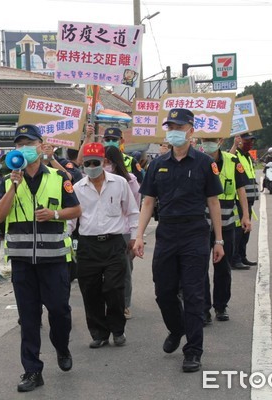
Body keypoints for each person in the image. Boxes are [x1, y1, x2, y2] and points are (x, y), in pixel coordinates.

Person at [133, 108, 225, 373]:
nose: (174, 131)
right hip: (167, 233)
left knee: (194, 294)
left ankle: (193, 350)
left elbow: (213, 202)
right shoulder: (157, 164)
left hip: (195, 232)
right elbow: (148, 201)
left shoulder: (204, 163)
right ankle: (177, 328)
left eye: (179, 127)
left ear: (191, 131)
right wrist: (139, 236)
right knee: (163, 291)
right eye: (170, 126)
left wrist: (218, 240)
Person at [0, 124, 81, 393]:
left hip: (53, 260)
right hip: (22, 263)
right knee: (28, 318)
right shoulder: (7, 180)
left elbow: (76, 209)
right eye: (20, 144)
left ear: (40, 146)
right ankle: (32, 370)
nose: (24, 149)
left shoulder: (58, 177)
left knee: (59, 311)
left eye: (29, 144)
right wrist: (13, 187)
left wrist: (54, 215)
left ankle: (62, 347)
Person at [70, 142, 139, 349]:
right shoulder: (77, 188)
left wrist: (135, 237)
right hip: (88, 245)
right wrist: (65, 240)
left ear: (104, 162)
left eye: (96, 162)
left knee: (114, 289)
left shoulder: (119, 183)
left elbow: (132, 211)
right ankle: (99, 333)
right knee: (90, 290)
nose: (92, 166)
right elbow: (71, 219)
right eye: (88, 163)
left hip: (114, 243)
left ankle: (118, 330)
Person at [196, 137, 251, 325]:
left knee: (223, 268)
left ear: (220, 141)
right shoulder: (196, 160)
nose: (209, 143)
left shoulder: (232, 161)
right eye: (205, 140)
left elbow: (241, 190)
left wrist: (246, 216)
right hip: (202, 224)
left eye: (212, 140)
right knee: (200, 268)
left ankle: (221, 306)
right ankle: (203, 309)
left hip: (227, 223)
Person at [104, 145, 140, 320]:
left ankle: (124, 305)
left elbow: (134, 207)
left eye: (105, 161)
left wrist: (136, 234)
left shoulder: (129, 180)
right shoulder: (96, 178)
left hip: (123, 231)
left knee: (123, 270)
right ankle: (115, 304)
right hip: (108, 230)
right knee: (114, 271)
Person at [229, 133, 260, 270]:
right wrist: (234, 145)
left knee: (245, 231)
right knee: (238, 231)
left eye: (251, 141)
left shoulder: (247, 156)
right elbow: (229, 158)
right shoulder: (237, 154)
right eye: (248, 141)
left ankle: (242, 256)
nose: (250, 143)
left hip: (249, 199)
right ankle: (234, 259)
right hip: (239, 200)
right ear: (240, 141)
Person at [79, 127, 144, 183]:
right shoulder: (97, 158)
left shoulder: (131, 161)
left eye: (114, 139)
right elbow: (79, 161)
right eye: (107, 140)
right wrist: (87, 138)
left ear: (121, 141)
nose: (110, 142)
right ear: (103, 141)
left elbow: (139, 183)